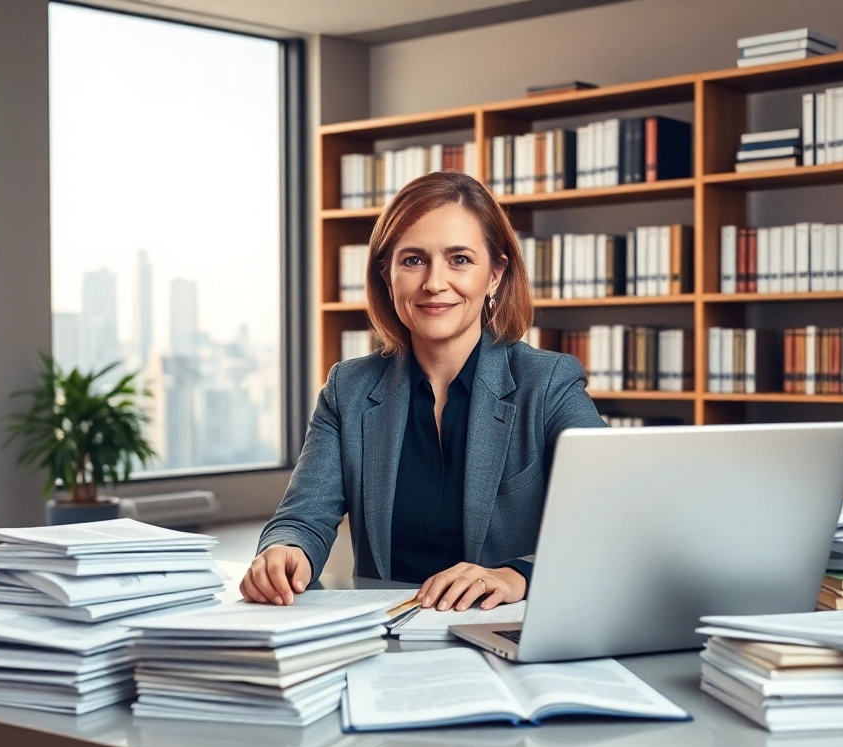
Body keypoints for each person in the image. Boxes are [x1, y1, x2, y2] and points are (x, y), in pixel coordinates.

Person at [243, 171, 604, 612]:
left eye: (459, 260)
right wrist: (285, 551)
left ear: (495, 273)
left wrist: (519, 574)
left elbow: (613, 518)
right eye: (413, 260)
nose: (434, 282)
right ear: (387, 274)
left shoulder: (547, 384)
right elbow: (303, 517)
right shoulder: (348, 390)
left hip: (503, 634)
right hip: (387, 640)